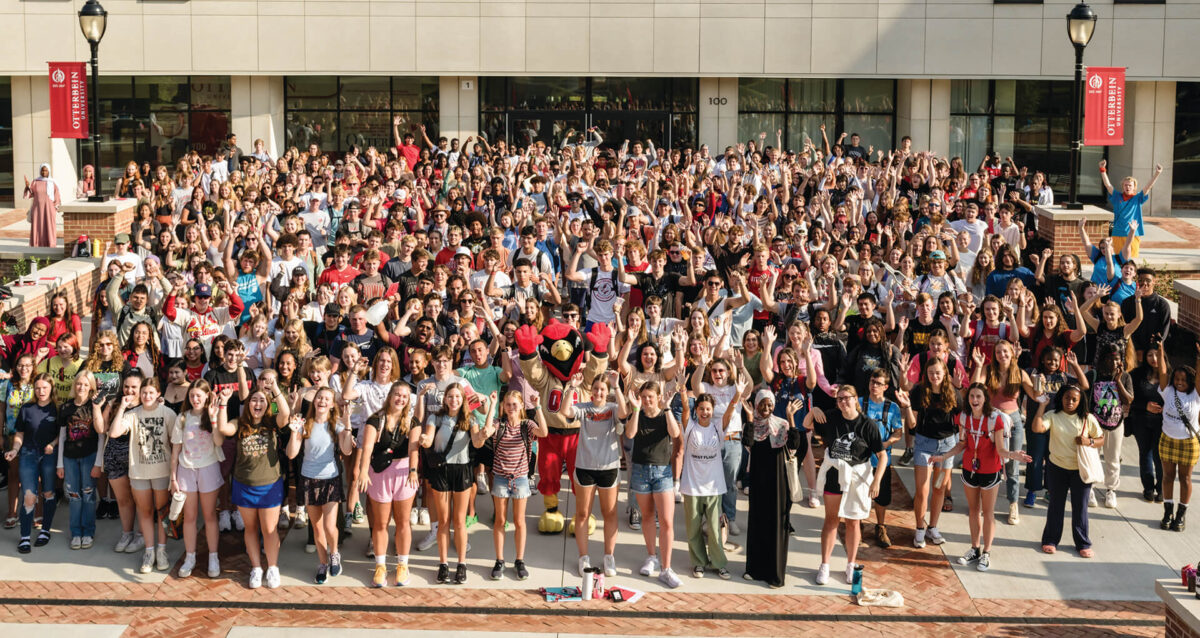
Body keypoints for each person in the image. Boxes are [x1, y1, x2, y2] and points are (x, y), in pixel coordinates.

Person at [930, 383, 1031, 571]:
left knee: (988, 512)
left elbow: (1001, 449)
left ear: (985, 399)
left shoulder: (995, 420)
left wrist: (1013, 455)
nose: (974, 400)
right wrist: (944, 456)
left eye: (978, 396)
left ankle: (986, 552)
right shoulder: (964, 417)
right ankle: (974, 548)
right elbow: (962, 444)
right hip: (970, 469)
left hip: (990, 471)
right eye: (971, 397)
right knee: (974, 510)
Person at [216, 378, 293, 589]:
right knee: (250, 529)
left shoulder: (272, 423)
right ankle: (256, 568)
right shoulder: (239, 423)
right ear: (248, 404)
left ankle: (273, 567)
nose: (257, 404)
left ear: (267, 405)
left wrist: (275, 388)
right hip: (244, 485)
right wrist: (223, 403)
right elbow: (223, 428)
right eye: (253, 400)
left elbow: (285, 414)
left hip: (270, 485)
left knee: (269, 529)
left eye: (262, 400)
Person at [807, 385, 887, 586]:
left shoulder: (868, 425)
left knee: (853, 521)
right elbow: (805, 425)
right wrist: (812, 412)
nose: (843, 402)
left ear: (856, 399)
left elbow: (882, 455)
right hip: (835, 474)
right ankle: (825, 564)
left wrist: (876, 480)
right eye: (840, 399)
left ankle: (851, 564)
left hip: (858, 477)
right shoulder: (831, 417)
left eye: (847, 398)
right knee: (831, 520)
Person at [564, 371, 629, 579]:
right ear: (591, 391)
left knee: (609, 513)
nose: (598, 392)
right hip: (585, 467)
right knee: (582, 514)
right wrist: (572, 387)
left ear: (607, 392)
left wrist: (616, 385)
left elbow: (624, 413)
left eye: (602, 390)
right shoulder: (584, 408)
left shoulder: (612, 409)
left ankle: (609, 556)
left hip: (609, 468)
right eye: (595, 389)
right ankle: (584, 557)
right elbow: (566, 412)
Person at [285, 387, 354, 584]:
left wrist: (348, 426)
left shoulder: (337, 425)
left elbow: (347, 450)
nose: (322, 401)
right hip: (308, 479)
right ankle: (322, 563)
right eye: (319, 398)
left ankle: (334, 554)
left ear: (332, 404)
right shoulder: (304, 424)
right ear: (314, 401)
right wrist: (293, 431)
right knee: (316, 528)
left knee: (330, 527)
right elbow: (291, 453)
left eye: (327, 399)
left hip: (330, 479)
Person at [419, 381, 485, 585]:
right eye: (450, 396)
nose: (454, 400)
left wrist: (483, 433)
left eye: (457, 396)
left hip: (462, 470)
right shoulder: (435, 417)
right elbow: (429, 439)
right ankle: (444, 564)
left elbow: (476, 442)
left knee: (459, 521)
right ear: (444, 399)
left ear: (463, 399)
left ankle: (462, 564)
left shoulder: (470, 418)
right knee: (443, 522)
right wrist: (423, 439)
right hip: (441, 471)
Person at [473, 389, 543, 581]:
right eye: (508, 404)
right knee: (500, 521)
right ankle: (500, 560)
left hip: (520, 478)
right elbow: (486, 432)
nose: (511, 408)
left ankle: (520, 560)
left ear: (521, 405)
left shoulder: (526, 425)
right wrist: (493, 405)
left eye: (514, 404)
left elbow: (543, 432)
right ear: (504, 406)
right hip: (501, 478)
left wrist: (537, 407)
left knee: (519, 521)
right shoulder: (499, 424)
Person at [358, 384, 421, 587]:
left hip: (403, 471)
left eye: (404, 396)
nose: (400, 399)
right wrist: (362, 471)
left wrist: (413, 471)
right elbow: (367, 448)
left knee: (403, 521)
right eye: (397, 395)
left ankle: (403, 565)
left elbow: (414, 449)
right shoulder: (376, 419)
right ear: (390, 396)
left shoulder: (412, 421)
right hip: (380, 473)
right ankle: (381, 566)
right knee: (380, 522)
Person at [1031, 383, 1102, 557]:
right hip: (1057, 468)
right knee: (1056, 505)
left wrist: (1089, 442)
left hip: (1080, 470)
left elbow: (1100, 439)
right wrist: (1041, 406)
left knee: (1080, 508)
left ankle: (1083, 543)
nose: (1070, 402)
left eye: (1074, 399)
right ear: (1060, 398)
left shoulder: (1087, 418)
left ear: (1080, 401)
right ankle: (1050, 540)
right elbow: (1037, 428)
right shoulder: (1052, 416)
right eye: (1066, 398)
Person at [626, 381, 682, 589]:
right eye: (644, 396)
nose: (647, 400)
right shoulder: (638, 414)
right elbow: (630, 434)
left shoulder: (664, 413)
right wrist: (635, 409)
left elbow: (675, 434)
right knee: (647, 517)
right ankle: (652, 557)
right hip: (641, 470)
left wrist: (666, 407)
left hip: (662, 472)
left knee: (666, 521)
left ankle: (666, 569)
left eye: (651, 396)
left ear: (658, 396)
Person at [169, 380, 224, 579]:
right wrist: (173, 478)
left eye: (199, 395)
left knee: (209, 515)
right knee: (190, 517)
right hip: (186, 470)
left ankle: (213, 556)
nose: (195, 399)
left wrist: (214, 418)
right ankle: (190, 556)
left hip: (208, 468)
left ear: (207, 396)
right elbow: (175, 450)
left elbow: (219, 441)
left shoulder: (213, 416)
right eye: (192, 395)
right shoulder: (182, 418)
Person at [742, 389, 797, 588]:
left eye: (770, 404)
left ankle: (775, 574)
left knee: (776, 525)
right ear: (756, 405)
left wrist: (791, 418)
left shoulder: (781, 424)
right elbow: (747, 443)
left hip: (778, 483)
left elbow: (794, 445)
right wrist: (749, 418)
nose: (766, 409)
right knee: (757, 522)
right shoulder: (751, 425)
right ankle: (754, 569)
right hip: (757, 481)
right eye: (762, 404)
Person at [903, 359, 958, 547]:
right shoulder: (919, 391)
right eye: (930, 373)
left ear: (944, 375)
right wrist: (907, 407)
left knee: (939, 488)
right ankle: (919, 528)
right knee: (922, 490)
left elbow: (962, 418)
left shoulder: (952, 393)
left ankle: (933, 527)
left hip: (946, 447)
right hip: (924, 445)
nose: (934, 377)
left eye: (938, 373)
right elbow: (911, 424)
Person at [5, 373, 60, 553]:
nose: (41, 391)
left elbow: (63, 433)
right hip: (28, 454)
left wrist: (52, 444)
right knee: (29, 496)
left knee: (48, 493)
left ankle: (45, 530)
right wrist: (15, 449)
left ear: (51, 387)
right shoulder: (27, 408)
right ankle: (25, 536)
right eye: (37, 388)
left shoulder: (57, 409)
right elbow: (20, 433)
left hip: (49, 455)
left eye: (45, 387)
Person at [1156, 341, 1200, 532]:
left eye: (1183, 380)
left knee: (1185, 479)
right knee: (1167, 476)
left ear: (1190, 381)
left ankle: (1181, 516)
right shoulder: (1168, 390)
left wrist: (1199, 357)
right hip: (1167, 440)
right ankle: (1168, 512)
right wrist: (1160, 350)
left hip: (1189, 443)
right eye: (1177, 379)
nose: (1179, 382)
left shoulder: (1196, 394)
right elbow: (1163, 371)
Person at [57, 370, 103, 550]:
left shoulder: (94, 406)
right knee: (74, 496)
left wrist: (98, 463)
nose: (81, 387)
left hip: (89, 457)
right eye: (79, 384)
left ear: (91, 387)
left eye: (85, 384)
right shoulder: (66, 407)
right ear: (74, 385)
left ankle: (88, 531)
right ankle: (76, 532)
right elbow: (61, 436)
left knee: (89, 495)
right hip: (69, 458)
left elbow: (101, 436)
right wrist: (60, 464)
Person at [860, 369, 905, 548]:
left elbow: (898, 432)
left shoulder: (892, 407)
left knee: (881, 496)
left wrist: (886, 444)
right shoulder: (859, 403)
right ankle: (859, 525)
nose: (873, 386)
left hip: (881, 461)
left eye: (878, 383)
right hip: (861, 460)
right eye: (872, 382)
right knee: (860, 494)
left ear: (885, 386)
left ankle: (880, 526)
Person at [1099, 159, 1163, 258]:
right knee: (1118, 259)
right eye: (1125, 185)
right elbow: (1108, 185)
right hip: (1118, 233)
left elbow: (1148, 187)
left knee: (1131, 260)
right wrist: (1102, 169)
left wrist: (1157, 173)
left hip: (1133, 234)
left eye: (1130, 185)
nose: (1127, 187)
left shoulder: (1138, 198)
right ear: (1122, 186)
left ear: (1134, 187)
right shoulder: (1117, 197)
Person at [1129, 342, 1165, 502]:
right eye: (1150, 355)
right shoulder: (1136, 374)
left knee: (1160, 456)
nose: (1154, 358)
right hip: (1141, 420)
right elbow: (1130, 398)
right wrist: (1146, 406)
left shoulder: (1168, 375)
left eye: (1157, 354)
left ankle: (1162, 488)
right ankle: (1148, 488)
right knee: (1145, 453)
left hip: (1163, 423)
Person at [24, 164, 61, 248]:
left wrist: (56, 208)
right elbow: (29, 194)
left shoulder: (53, 183)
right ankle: (36, 244)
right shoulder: (35, 182)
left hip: (49, 209)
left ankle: (50, 244)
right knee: (37, 226)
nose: (44, 172)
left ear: (49, 171)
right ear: (40, 171)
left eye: (46, 170)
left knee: (49, 226)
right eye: (42, 170)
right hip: (37, 209)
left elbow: (57, 197)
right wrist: (27, 187)